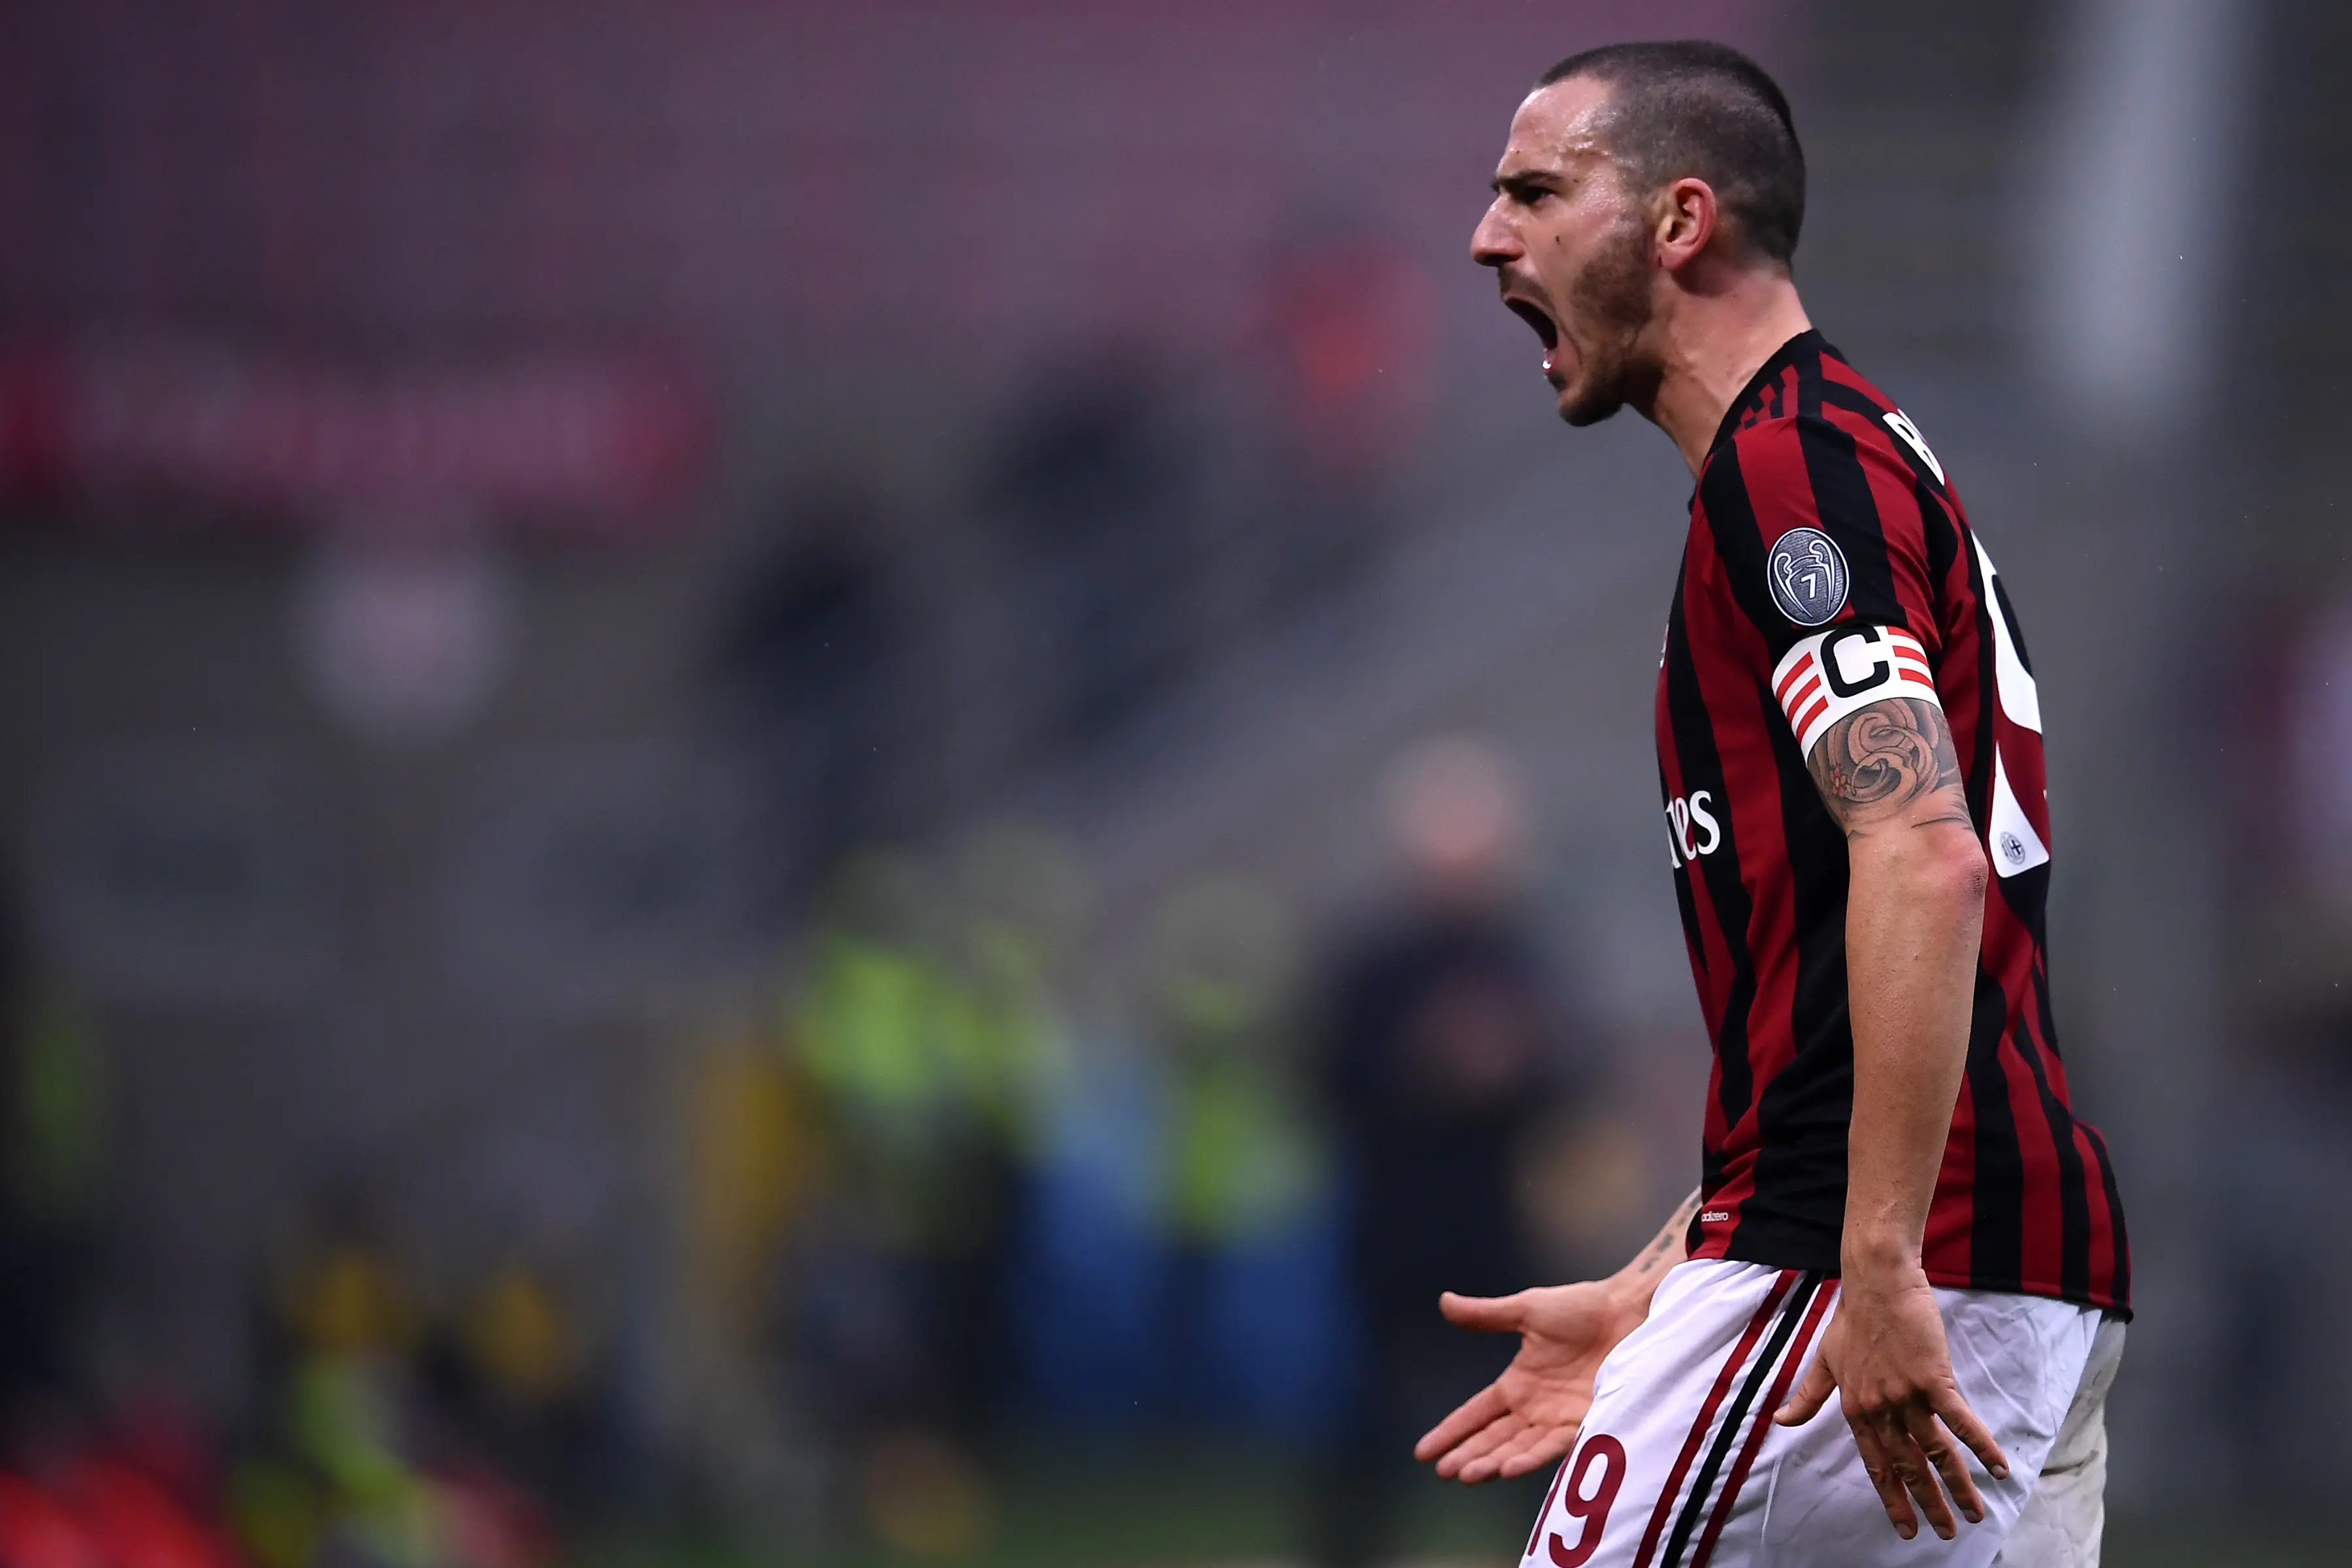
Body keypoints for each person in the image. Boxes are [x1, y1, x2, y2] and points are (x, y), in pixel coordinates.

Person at [1416, 41, 2130, 1567]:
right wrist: (1663, 1271)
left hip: (1876, 1258)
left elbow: (1924, 855)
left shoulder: (1788, 474)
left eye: (1537, 191)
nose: (1491, 238)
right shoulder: (1854, 461)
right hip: (1995, 1248)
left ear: (1680, 223)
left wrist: (1871, 1254)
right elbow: (1849, 989)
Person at [1311, 739, 1584, 1567]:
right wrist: (1425, 1067)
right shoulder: (1373, 966)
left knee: (1533, 1413)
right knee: (1364, 1427)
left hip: (1495, 1230)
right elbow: (1328, 1080)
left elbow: (1568, 1079)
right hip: (1394, 1229)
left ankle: (1547, 1548)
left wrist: (1512, 1069)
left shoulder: (1523, 960)